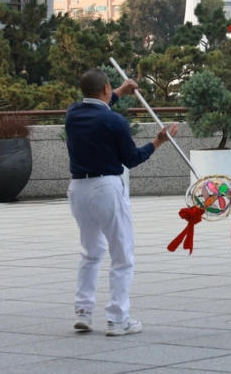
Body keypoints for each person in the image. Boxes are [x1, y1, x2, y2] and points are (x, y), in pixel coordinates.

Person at [67, 68, 178, 336]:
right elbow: (132, 159)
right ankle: (117, 318)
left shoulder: (72, 114)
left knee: (90, 251)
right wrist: (158, 140)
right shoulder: (114, 121)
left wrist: (119, 91)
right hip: (106, 187)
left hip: (78, 188)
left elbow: (98, 107)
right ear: (105, 89)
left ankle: (83, 310)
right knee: (122, 255)